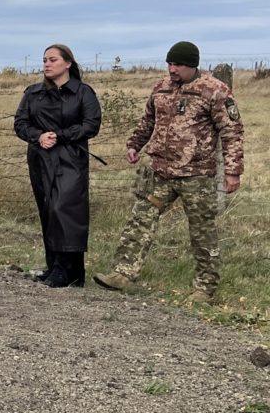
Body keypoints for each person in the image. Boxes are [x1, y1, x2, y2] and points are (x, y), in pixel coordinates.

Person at [94, 41, 244, 303]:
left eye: (178, 65)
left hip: (196, 175)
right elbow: (148, 121)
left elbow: (232, 132)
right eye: (170, 64)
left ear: (192, 65)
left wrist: (233, 171)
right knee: (140, 221)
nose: (172, 69)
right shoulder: (161, 88)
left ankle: (204, 289)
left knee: (202, 232)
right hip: (160, 171)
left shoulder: (214, 91)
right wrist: (134, 145)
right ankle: (122, 273)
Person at [14, 44, 102, 288]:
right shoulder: (33, 93)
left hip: (71, 157)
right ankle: (54, 266)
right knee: (48, 210)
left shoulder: (83, 92)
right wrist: (39, 136)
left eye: (53, 59)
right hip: (40, 158)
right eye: (44, 60)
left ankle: (69, 270)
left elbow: (91, 124)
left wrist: (60, 135)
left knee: (65, 209)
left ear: (68, 63)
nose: (47, 64)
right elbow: (20, 123)